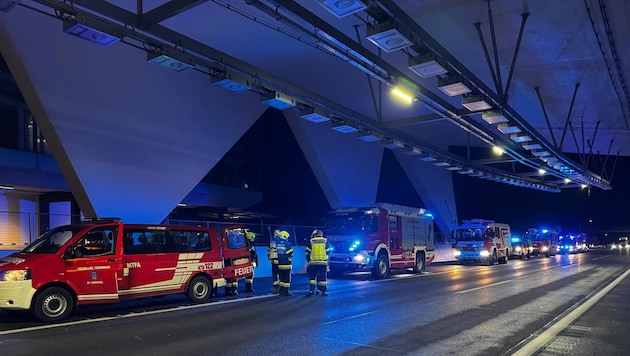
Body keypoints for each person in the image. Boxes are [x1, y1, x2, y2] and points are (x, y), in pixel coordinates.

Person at [305, 229, 331, 296]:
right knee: (323, 278)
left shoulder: (311, 241)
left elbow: (307, 253)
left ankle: (311, 291)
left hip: (313, 262)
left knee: (312, 278)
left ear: (314, 235)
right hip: (323, 262)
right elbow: (328, 251)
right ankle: (323, 291)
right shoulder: (325, 241)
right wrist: (326, 260)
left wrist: (309, 261)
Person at [272, 227, 293, 296]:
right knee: (286, 279)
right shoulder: (287, 244)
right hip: (287, 264)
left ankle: (281, 292)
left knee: (281, 279)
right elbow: (290, 254)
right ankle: (286, 292)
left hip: (280, 264)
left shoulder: (277, 244)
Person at [267, 229, 280, 294]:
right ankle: (278, 287)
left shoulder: (272, 242)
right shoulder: (280, 242)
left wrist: (269, 258)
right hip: (279, 261)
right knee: (279, 274)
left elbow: (268, 251)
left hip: (274, 261)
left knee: (275, 274)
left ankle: (276, 287)